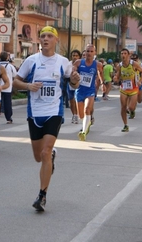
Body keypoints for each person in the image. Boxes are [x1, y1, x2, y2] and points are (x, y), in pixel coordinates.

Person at [13, 26, 80, 211]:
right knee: (38, 157)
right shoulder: (31, 60)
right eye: (42, 36)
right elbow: (15, 81)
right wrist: (28, 86)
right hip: (35, 113)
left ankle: (42, 195)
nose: (45, 39)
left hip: (53, 112)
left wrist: (75, 78)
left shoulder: (63, 61)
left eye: (49, 36)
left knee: (45, 153)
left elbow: (74, 82)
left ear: (56, 40)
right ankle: (50, 157)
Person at [73, 44, 104, 141]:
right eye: (87, 51)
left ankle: (83, 132)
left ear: (95, 53)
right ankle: (88, 122)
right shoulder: (78, 63)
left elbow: (100, 74)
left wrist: (102, 84)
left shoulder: (98, 64)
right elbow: (73, 71)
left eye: (91, 51)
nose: (89, 53)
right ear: (84, 53)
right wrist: (74, 74)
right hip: (79, 91)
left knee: (87, 109)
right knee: (81, 115)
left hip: (90, 91)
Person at [114, 48, 142, 132]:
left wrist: (140, 81)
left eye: (125, 53)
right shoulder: (119, 66)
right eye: (122, 53)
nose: (123, 55)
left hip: (133, 88)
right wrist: (115, 78)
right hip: (124, 88)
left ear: (128, 55)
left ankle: (132, 111)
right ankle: (125, 125)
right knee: (123, 107)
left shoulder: (134, 64)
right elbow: (117, 76)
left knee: (131, 107)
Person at [0, 51, 17, 124]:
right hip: (7, 87)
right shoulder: (10, 66)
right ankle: (8, 118)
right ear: (7, 57)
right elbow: (15, 75)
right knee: (7, 103)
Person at [68, 49, 81, 124]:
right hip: (70, 85)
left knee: (78, 101)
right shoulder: (68, 64)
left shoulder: (81, 64)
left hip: (80, 85)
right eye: (73, 55)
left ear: (79, 56)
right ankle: (74, 115)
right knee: (71, 102)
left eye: (76, 56)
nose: (75, 57)